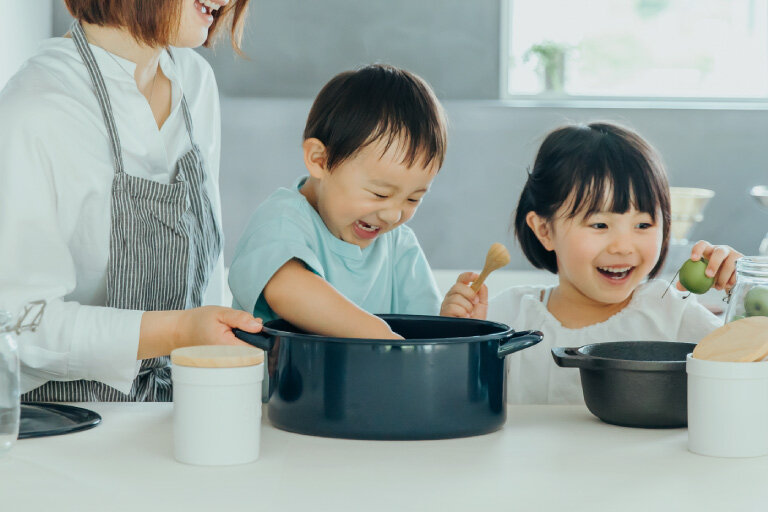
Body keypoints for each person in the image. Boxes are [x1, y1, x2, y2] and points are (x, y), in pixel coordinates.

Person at [0, 0, 262, 402]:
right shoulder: (35, 107)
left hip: (177, 412)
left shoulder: (195, 81)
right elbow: (18, 324)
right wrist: (177, 332)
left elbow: (206, 280)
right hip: (66, 429)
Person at [441, 122, 742, 404]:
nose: (623, 247)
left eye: (643, 225)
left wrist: (747, 292)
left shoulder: (673, 316)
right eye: (599, 225)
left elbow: (750, 371)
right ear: (545, 230)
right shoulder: (505, 317)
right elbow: (452, 402)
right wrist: (457, 341)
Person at [228, 64, 447, 339]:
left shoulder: (399, 245)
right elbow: (288, 291)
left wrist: (449, 319)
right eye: (380, 194)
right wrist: (376, 335)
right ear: (320, 160)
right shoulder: (282, 220)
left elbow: (420, 332)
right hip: (288, 382)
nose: (393, 215)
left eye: (413, 198)